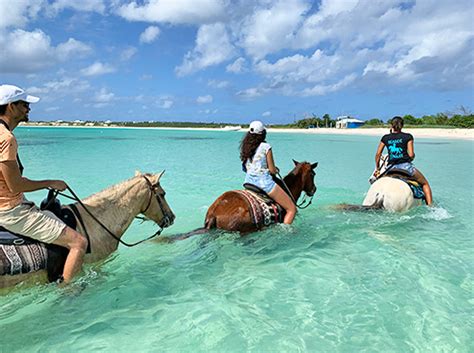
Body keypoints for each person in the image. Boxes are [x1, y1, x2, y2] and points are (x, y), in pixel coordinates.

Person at [0, 84, 87, 283]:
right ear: (11, 107)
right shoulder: (6, 138)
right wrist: (51, 182)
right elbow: (15, 185)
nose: (28, 109)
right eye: (25, 104)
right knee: (78, 243)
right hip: (9, 211)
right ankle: (68, 293)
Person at [240, 120, 297, 224]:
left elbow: (245, 168)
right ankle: (284, 234)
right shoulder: (266, 147)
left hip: (248, 182)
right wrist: (275, 169)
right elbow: (272, 171)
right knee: (292, 209)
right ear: (263, 133)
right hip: (264, 184)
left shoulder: (245, 147)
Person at [375, 116, 433, 205]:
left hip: (391, 168)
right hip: (405, 167)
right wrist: (412, 157)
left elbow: (378, 154)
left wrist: (378, 168)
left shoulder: (386, 138)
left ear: (391, 126)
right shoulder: (408, 136)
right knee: (425, 184)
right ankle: (431, 207)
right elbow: (411, 154)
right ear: (402, 126)